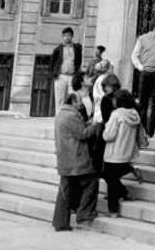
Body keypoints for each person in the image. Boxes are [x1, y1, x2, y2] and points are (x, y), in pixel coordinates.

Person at [52, 91, 98, 232]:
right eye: (79, 102)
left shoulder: (61, 114)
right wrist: (94, 125)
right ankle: (84, 214)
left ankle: (60, 222)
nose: (81, 105)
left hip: (65, 158)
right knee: (91, 182)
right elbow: (83, 134)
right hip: (75, 158)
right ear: (72, 101)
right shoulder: (72, 116)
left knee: (64, 191)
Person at [102, 89, 142, 216]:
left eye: (114, 99)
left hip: (114, 153)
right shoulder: (135, 114)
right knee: (112, 177)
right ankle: (129, 172)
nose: (113, 101)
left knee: (110, 179)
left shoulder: (116, 114)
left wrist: (103, 131)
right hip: (127, 152)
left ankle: (113, 209)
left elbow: (109, 135)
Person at [131, 21, 155, 137]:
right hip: (145, 73)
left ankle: (150, 131)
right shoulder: (142, 39)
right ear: (154, 28)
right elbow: (134, 55)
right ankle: (142, 130)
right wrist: (140, 67)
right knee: (142, 102)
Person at [51, 27, 83, 111]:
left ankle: (71, 116)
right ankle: (59, 118)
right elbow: (52, 63)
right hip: (60, 76)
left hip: (72, 76)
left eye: (69, 35)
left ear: (72, 36)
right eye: (65, 35)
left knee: (73, 97)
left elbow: (79, 61)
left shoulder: (76, 48)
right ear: (62, 36)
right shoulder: (58, 49)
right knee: (59, 99)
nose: (67, 37)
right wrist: (54, 75)